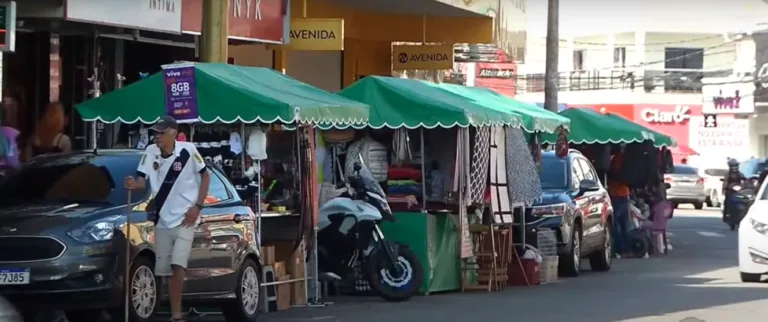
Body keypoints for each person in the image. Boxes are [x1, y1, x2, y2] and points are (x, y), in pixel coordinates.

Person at [124, 116, 210, 322]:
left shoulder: (188, 151)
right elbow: (141, 182)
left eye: (161, 133)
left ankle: (176, 315)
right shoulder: (150, 152)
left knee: (177, 264)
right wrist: (132, 185)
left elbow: (206, 176)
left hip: (185, 218)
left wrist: (197, 206)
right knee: (163, 271)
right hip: (163, 218)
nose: (157, 137)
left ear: (173, 132)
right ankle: (170, 307)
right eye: (155, 133)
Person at [608, 145, 630, 258]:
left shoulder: (618, 158)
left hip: (617, 194)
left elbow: (617, 173)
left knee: (615, 223)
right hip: (623, 193)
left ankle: (620, 248)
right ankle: (626, 249)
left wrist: (610, 176)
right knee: (624, 224)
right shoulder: (623, 157)